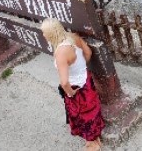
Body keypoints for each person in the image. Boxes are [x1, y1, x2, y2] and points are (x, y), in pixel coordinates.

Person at [41, 18, 105, 151]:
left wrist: (70, 93)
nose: (43, 35)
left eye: (44, 33)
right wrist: (81, 67)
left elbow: (64, 82)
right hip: (86, 79)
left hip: (76, 87)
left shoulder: (61, 53)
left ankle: (93, 144)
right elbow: (88, 52)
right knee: (91, 109)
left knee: (82, 114)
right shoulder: (74, 37)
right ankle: (95, 137)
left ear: (52, 34)